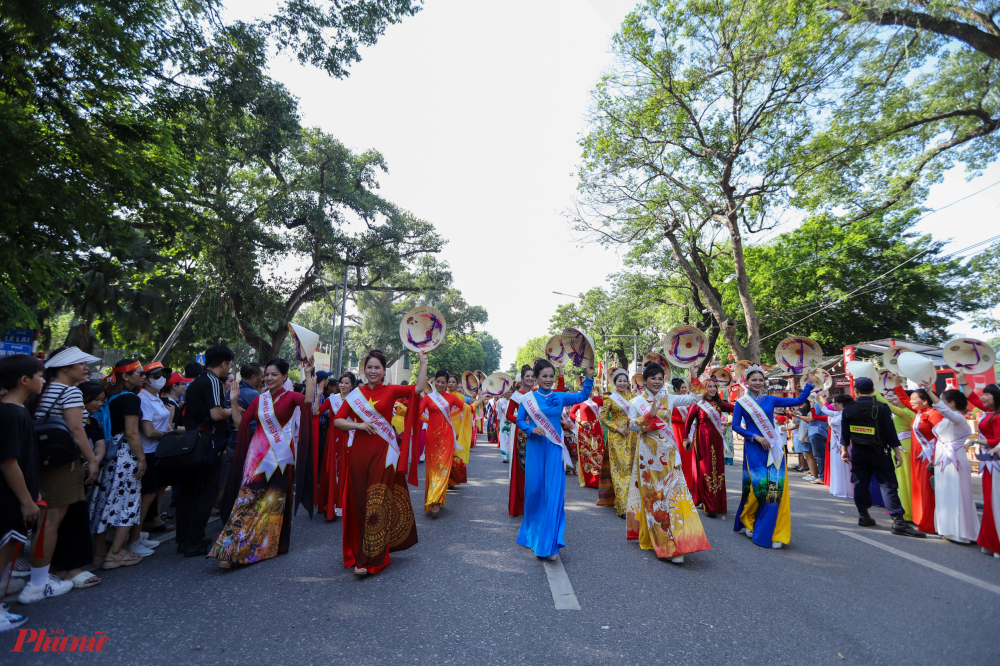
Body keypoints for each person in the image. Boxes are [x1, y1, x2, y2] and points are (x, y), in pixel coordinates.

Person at [212, 358, 314, 568]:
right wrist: (233, 401)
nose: (268, 378)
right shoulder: (260, 400)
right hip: (257, 455)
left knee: (272, 499)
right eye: (266, 374)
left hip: (281, 456)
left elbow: (308, 401)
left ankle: (265, 545)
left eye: (274, 374)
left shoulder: (292, 397)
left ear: (284, 377)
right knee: (248, 499)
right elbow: (240, 424)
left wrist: (309, 374)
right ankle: (230, 550)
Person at [333, 350, 427, 575]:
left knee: (378, 501)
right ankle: (358, 550)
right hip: (359, 453)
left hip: (384, 454)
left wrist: (423, 361)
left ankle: (372, 558)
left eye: (377, 367)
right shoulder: (356, 394)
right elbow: (338, 420)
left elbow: (419, 388)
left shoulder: (392, 389)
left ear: (384, 371)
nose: (372, 371)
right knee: (360, 500)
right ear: (363, 370)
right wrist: (358, 426)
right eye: (369, 367)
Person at [22, 347, 102, 602]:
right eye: (81, 364)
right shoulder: (69, 391)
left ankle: (45, 574)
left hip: (39, 463)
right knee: (50, 523)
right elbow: (77, 430)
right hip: (62, 464)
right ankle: (38, 583)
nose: (86, 368)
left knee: (46, 522)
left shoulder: (42, 389)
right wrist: (92, 460)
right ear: (65, 368)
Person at [624, 362, 710, 564]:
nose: (656, 381)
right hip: (648, 459)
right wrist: (648, 416)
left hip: (670, 455)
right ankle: (665, 544)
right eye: (652, 378)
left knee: (677, 497)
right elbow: (630, 426)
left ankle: (681, 539)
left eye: (660, 378)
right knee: (656, 500)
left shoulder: (669, 398)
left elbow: (695, 398)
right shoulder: (636, 401)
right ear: (644, 381)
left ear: (664, 380)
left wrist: (694, 375)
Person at [515, 359, 593, 559]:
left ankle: (549, 542)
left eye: (551, 376)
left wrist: (590, 377)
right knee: (534, 491)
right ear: (536, 378)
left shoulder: (559, 397)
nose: (548, 380)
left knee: (554, 493)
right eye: (544, 376)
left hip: (554, 450)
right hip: (536, 448)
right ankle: (532, 533)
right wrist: (532, 429)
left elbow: (583, 395)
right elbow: (519, 421)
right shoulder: (528, 399)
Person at [731, 365, 813, 549]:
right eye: (754, 380)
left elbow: (798, 400)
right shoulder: (742, 403)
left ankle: (772, 531)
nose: (758, 383)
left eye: (761, 380)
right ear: (747, 382)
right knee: (758, 488)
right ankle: (748, 518)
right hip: (754, 448)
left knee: (774, 489)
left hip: (773, 450)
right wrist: (755, 437)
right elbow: (735, 426)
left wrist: (809, 384)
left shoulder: (771, 399)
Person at [839, 377, 924, 537]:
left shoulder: (849, 408)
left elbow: (845, 432)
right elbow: (890, 432)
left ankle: (863, 516)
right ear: (873, 391)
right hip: (879, 452)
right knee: (888, 485)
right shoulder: (882, 407)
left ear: (856, 391)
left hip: (858, 452)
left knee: (860, 483)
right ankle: (898, 522)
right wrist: (897, 452)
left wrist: (844, 450)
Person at [87, 358, 146, 569]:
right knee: (128, 501)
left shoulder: (110, 396)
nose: (144, 377)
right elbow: (131, 432)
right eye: (140, 373)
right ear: (126, 376)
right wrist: (141, 458)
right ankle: (116, 553)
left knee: (103, 500)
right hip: (125, 456)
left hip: (109, 455)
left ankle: (99, 552)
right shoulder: (131, 399)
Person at [0, 355, 45, 625]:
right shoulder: (11, 413)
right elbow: (8, 463)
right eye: (40, 376)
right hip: (9, 501)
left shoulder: (16, 411)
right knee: (4, 555)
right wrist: (27, 501)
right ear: (24, 380)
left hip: (16, 497)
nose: (43, 381)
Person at [177, 345, 233, 557]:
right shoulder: (212, 381)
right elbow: (217, 414)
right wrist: (234, 410)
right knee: (207, 491)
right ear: (224, 364)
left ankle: (184, 540)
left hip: (191, 442)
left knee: (190, 491)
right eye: (229, 365)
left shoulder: (196, 381)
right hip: (205, 443)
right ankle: (195, 540)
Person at [917, 380, 979, 544]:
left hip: (955, 463)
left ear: (951, 403)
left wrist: (930, 392)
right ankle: (948, 530)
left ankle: (962, 533)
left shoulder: (958, 418)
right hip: (942, 462)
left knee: (957, 495)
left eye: (943, 401)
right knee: (945, 495)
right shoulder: (946, 420)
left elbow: (943, 409)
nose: (940, 405)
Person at [957, 376, 1000, 557]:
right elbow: (973, 398)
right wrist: (962, 380)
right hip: (988, 464)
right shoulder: (990, 411)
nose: (982, 398)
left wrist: (975, 440)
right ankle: (990, 541)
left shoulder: (998, 415)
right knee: (991, 503)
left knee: (995, 503)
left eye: (987, 395)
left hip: (996, 465)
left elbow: (996, 441)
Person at [683, 378, 733, 518]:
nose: (712, 389)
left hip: (716, 439)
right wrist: (685, 438)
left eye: (714, 387)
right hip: (702, 439)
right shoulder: (698, 403)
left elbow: (736, 409)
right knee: (706, 469)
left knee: (717, 469)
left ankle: (718, 503)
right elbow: (688, 422)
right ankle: (709, 505)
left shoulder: (719, 404)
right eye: (709, 386)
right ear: (703, 388)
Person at [419, 369, 466, 516]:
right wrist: (402, 409)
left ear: (447, 384)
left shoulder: (451, 397)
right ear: (433, 382)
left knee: (443, 468)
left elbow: (465, 408)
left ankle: (436, 502)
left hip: (446, 437)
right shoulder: (427, 398)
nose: (439, 384)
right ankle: (433, 499)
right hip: (432, 438)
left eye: (443, 382)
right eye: (437, 381)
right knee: (433, 468)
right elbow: (417, 413)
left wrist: (480, 401)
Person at [894, 385, 941, 533]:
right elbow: (904, 400)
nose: (910, 401)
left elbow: (942, 437)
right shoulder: (920, 412)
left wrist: (935, 457)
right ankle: (920, 518)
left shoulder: (935, 414)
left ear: (925, 401)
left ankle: (930, 523)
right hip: (918, 457)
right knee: (919, 489)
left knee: (928, 489)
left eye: (914, 398)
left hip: (929, 457)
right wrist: (896, 385)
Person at [315, 371, 357, 521]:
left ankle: (346, 503)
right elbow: (316, 412)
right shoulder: (332, 399)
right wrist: (319, 395)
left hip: (351, 437)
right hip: (334, 438)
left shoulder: (357, 399)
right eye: (341, 382)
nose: (343, 385)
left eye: (347, 383)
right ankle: (333, 504)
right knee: (334, 469)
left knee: (347, 470)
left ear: (352, 385)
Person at [600, 369, 636, 518]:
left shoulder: (633, 397)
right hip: (617, 437)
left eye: (624, 380)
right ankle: (623, 507)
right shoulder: (609, 399)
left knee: (631, 470)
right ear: (614, 383)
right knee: (620, 471)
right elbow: (603, 418)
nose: (622, 383)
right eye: (619, 380)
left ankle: (633, 504)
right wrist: (617, 428)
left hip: (632, 437)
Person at [876, 389, 915, 521]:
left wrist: (873, 392)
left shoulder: (907, 413)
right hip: (899, 447)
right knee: (899, 479)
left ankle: (908, 511)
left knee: (905, 479)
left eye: (896, 397)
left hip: (905, 448)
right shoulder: (903, 413)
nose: (893, 399)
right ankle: (902, 508)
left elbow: (889, 406)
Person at [507, 367, 535, 516]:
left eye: (532, 376)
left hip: (538, 434)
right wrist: (522, 420)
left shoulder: (538, 394)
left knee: (536, 468)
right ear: (522, 378)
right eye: (527, 376)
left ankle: (535, 502)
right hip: (523, 435)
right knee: (523, 469)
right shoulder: (517, 396)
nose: (530, 379)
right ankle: (523, 503)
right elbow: (509, 415)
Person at [815, 395, 853, 499]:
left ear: (840, 404)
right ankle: (838, 488)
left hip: (844, 444)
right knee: (837, 466)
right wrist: (816, 397)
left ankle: (847, 490)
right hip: (835, 444)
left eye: (834, 402)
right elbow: (824, 409)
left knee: (845, 466)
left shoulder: (845, 415)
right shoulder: (837, 413)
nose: (832, 404)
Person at [569, 389, 604, 488]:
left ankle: (598, 479)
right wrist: (580, 421)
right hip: (584, 430)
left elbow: (606, 410)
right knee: (586, 454)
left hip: (596, 429)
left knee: (598, 453)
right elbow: (571, 413)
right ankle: (588, 480)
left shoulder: (599, 399)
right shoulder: (580, 399)